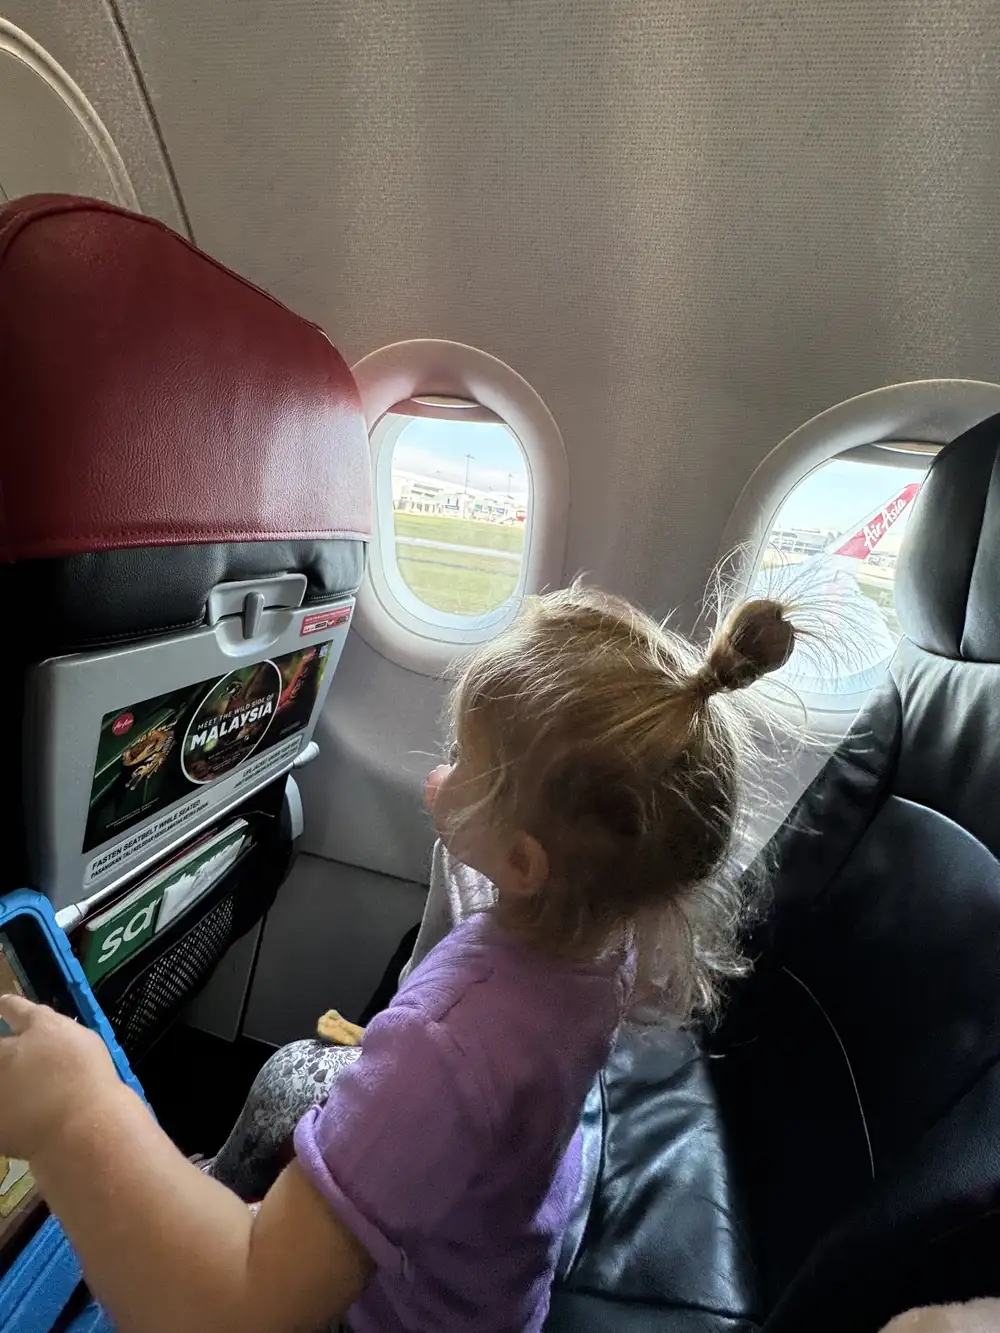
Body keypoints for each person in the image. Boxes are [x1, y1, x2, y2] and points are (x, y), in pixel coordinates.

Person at [0, 582, 798, 1333]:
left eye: (466, 766)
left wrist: (77, 1110)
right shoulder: (597, 940)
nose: (437, 780)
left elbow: (242, 1302)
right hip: (488, 1281)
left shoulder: (448, 1043)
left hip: (399, 1317)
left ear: (523, 865)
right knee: (293, 1079)